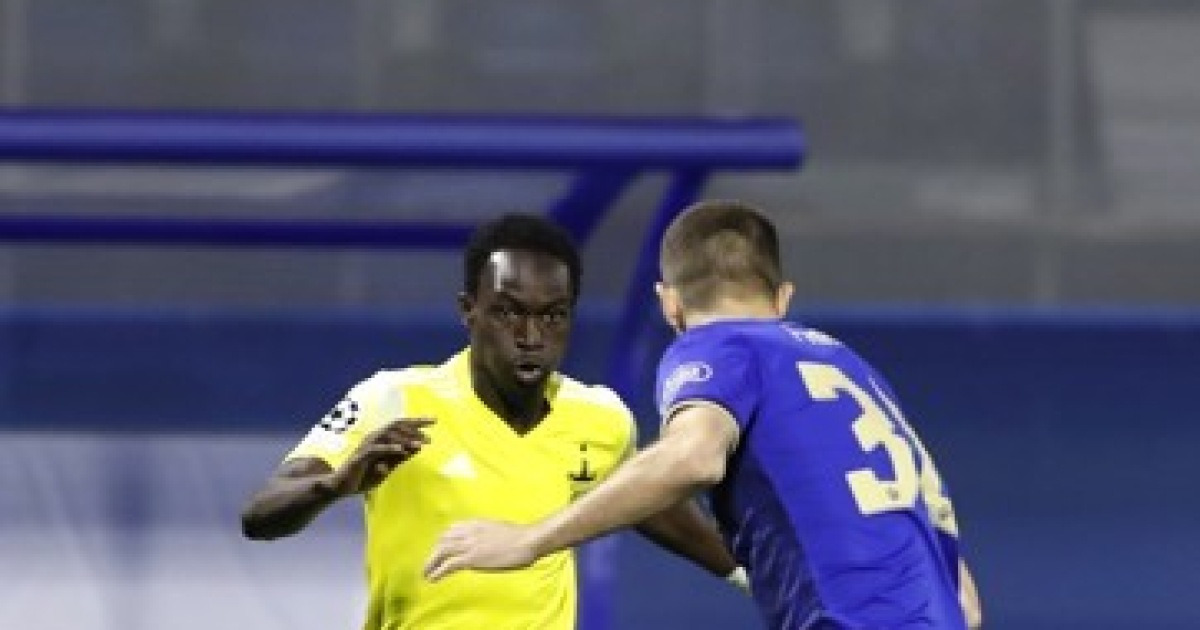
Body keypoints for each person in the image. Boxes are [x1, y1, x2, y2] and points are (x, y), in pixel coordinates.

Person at [425, 201, 984, 629]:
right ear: (783, 298)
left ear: (669, 302)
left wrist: (529, 540)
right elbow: (964, 600)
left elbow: (692, 458)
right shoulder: (855, 373)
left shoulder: (719, 346)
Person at [240, 213, 742, 630]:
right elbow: (260, 516)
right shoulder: (392, 398)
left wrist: (751, 574)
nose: (531, 336)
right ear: (469, 311)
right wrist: (332, 486)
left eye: (553, 316)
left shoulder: (601, 418)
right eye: (508, 313)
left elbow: (653, 504)